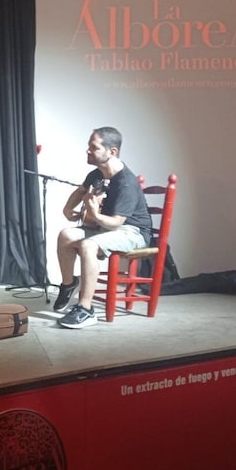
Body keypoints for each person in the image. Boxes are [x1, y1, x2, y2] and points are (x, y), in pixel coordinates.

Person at [54, 127, 152, 328]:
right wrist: (67, 208)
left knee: (88, 245)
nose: (88, 151)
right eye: (88, 146)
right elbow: (80, 191)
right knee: (66, 234)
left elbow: (116, 223)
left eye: (94, 147)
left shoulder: (126, 182)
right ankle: (68, 283)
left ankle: (86, 309)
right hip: (107, 228)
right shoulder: (97, 174)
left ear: (112, 152)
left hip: (133, 232)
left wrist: (96, 215)